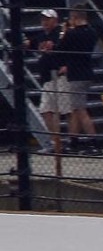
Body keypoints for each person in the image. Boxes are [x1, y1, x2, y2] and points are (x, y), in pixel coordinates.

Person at [56, 3, 100, 156]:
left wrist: (64, 32)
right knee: (75, 108)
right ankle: (73, 140)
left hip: (76, 73)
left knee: (80, 110)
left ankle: (94, 142)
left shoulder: (72, 34)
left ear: (74, 17)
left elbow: (60, 49)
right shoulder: (92, 32)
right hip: (86, 70)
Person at [26, 9, 71, 154]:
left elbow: (70, 49)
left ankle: (71, 141)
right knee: (45, 110)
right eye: (43, 19)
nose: (44, 22)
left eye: (48, 19)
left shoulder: (60, 33)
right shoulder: (41, 36)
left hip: (59, 76)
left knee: (66, 110)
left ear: (55, 20)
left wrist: (67, 65)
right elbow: (29, 43)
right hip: (46, 78)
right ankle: (54, 141)